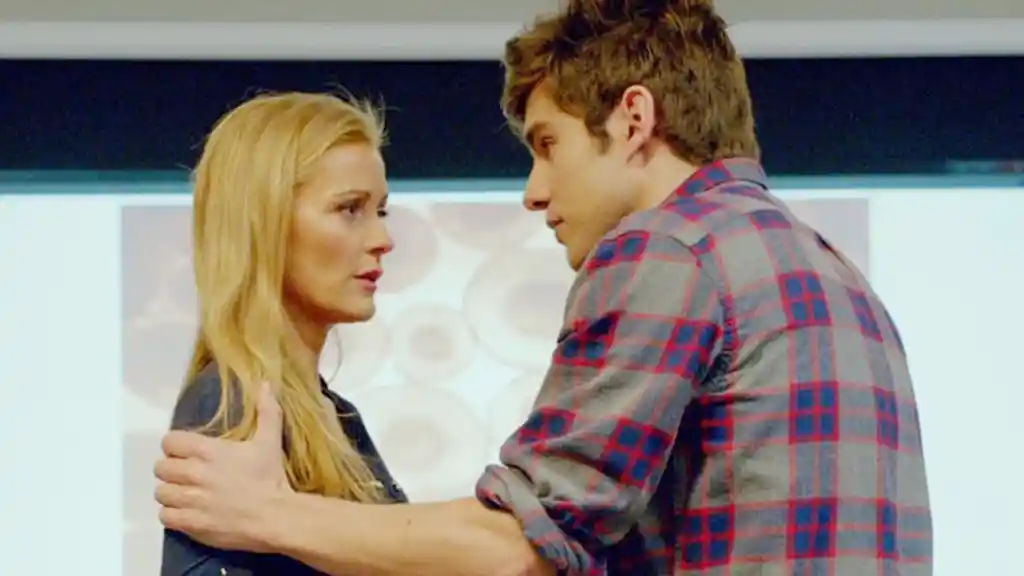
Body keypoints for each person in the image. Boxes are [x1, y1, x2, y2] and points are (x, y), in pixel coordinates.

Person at [154, 0, 933, 574]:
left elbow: (523, 546)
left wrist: (267, 513)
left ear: (633, 120)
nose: (534, 191)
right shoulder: (835, 276)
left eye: (548, 145)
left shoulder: (667, 253)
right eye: (350, 209)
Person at [156, 91, 405, 576]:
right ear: (264, 223)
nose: (383, 240)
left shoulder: (336, 416)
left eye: (381, 211)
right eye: (350, 209)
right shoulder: (231, 404)